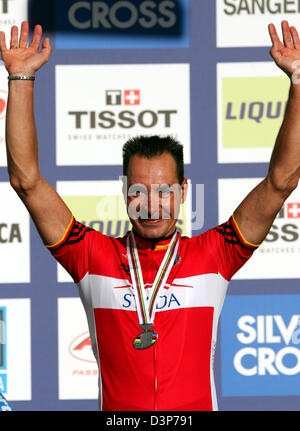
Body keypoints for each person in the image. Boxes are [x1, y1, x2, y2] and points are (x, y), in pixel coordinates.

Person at [0, 20, 299, 411]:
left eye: (164, 191)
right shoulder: (90, 256)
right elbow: (27, 181)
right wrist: (21, 78)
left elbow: (280, 182)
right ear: (125, 193)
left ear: (184, 192)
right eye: (140, 191)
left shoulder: (215, 255)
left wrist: (298, 83)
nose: (153, 204)